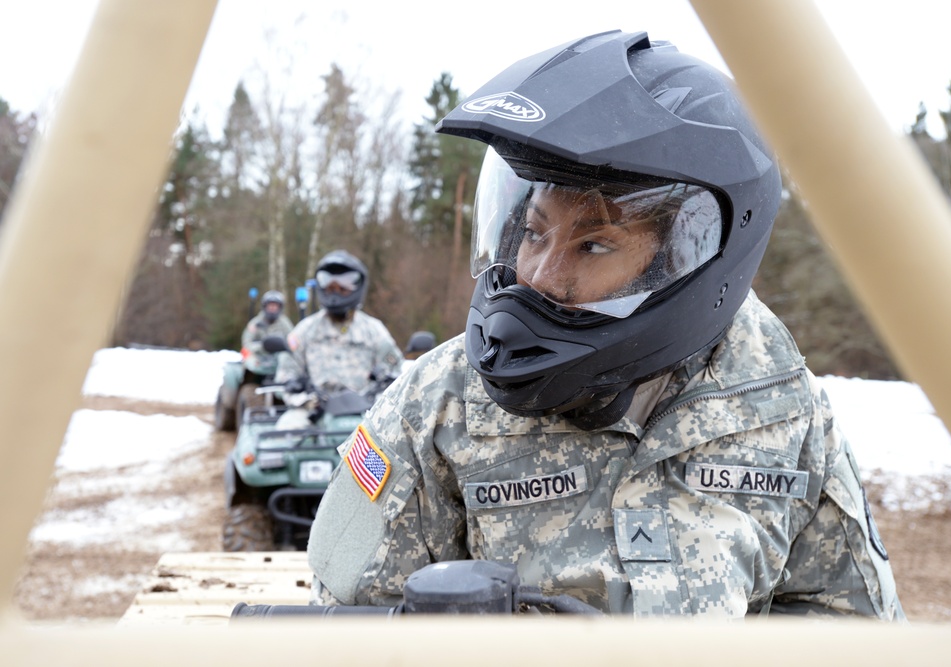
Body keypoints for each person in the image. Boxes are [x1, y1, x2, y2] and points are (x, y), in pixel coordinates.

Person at [306, 31, 904, 620]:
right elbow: (348, 630)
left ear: (688, 259)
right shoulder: (436, 404)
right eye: (534, 232)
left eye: (593, 246)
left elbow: (852, 628)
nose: (539, 274)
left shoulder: (779, 405)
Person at [273, 250, 403, 426]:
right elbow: (286, 376)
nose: (335, 291)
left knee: (398, 439)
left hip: (366, 410)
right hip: (314, 411)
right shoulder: (304, 331)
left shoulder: (374, 330)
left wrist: (378, 393)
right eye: (329, 285)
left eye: (343, 286)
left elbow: (396, 373)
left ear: (357, 286)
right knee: (286, 432)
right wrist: (303, 395)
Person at [240, 289, 294, 377]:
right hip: (259, 358)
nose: (272, 308)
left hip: (278, 359)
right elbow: (246, 343)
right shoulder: (255, 323)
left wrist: (281, 346)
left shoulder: (285, 323)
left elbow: (292, 341)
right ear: (265, 306)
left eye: (275, 306)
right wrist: (262, 347)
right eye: (270, 305)